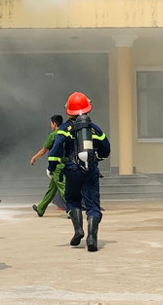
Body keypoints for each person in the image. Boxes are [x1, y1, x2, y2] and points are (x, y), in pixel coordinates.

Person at [47, 92, 111, 252]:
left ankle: (78, 230)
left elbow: (55, 149)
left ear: (69, 110)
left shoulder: (64, 128)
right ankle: (92, 238)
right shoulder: (94, 129)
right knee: (92, 204)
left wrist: (51, 167)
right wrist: (97, 158)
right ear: (87, 109)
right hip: (90, 169)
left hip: (72, 169)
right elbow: (106, 149)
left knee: (72, 199)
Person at [30, 114, 65, 216]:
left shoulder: (53, 135)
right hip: (63, 164)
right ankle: (41, 208)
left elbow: (43, 151)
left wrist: (34, 158)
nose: (51, 125)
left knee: (63, 189)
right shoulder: (65, 134)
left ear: (54, 123)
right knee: (52, 189)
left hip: (57, 167)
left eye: (51, 123)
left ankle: (72, 210)